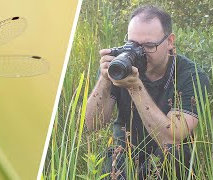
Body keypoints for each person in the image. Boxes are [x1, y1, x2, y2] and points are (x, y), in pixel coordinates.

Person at [85, 5, 210, 180]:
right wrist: (104, 80)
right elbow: (91, 125)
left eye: (149, 46)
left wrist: (135, 88)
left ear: (170, 42)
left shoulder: (191, 75)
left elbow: (171, 139)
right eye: (133, 44)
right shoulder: (118, 65)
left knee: (174, 154)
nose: (139, 52)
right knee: (114, 161)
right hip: (124, 152)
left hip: (169, 156)